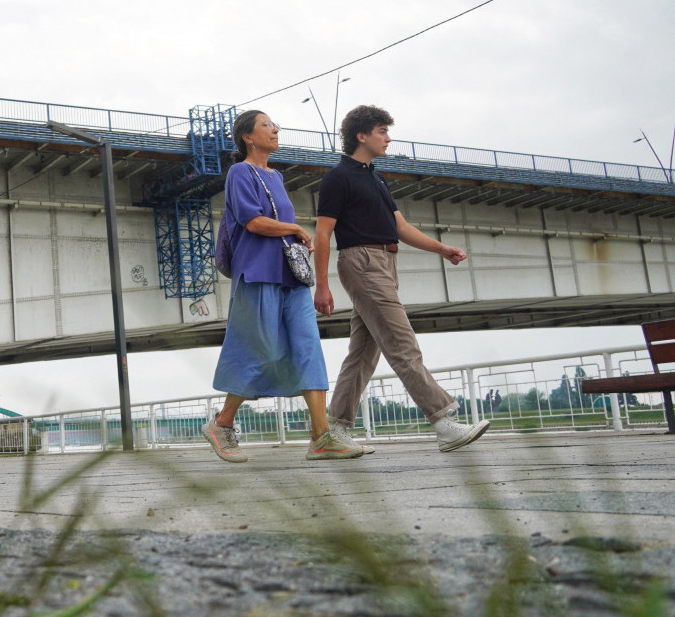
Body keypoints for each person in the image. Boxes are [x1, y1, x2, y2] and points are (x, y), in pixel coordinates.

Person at [313, 105, 490, 452]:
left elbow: (400, 227)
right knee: (401, 341)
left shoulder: (375, 177)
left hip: (385, 261)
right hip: (361, 261)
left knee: (363, 352)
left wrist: (442, 249)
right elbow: (322, 235)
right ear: (361, 135)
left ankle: (333, 430)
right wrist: (322, 284)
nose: (388, 138)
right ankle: (442, 420)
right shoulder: (338, 178)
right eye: (382, 131)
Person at [201, 110, 365, 463]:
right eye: (266, 126)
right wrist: (293, 229)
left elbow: (272, 221)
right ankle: (222, 424)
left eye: (275, 126)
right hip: (257, 273)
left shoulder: (276, 176)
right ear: (247, 136)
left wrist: (292, 235)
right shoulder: (239, 172)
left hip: (290, 275)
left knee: (309, 348)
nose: (275, 130)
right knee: (261, 351)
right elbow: (253, 221)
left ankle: (321, 437)